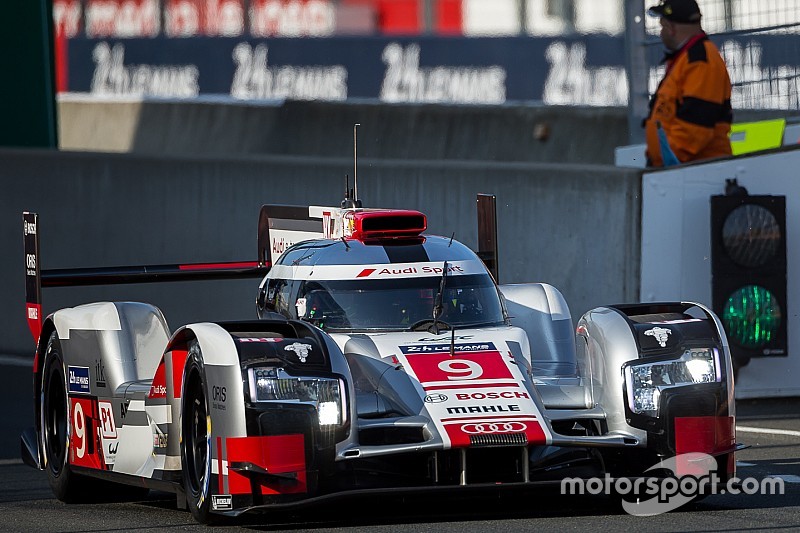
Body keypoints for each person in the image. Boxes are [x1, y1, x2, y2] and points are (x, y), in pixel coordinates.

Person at [644, 0, 733, 167]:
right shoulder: (688, 58)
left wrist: (664, 164)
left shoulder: (700, 61)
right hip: (686, 170)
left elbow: (694, 130)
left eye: (662, 26)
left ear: (670, 28)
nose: (661, 33)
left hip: (694, 172)